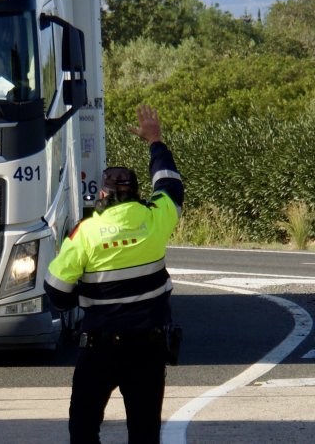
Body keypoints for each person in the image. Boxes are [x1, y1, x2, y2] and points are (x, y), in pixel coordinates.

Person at [45, 104, 184, 444]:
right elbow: (169, 185)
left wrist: (89, 296)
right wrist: (155, 141)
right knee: (145, 432)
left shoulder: (86, 233)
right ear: (137, 193)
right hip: (148, 348)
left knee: (83, 428)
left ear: (102, 195)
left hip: (100, 348)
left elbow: (57, 293)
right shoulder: (155, 219)